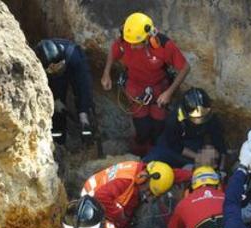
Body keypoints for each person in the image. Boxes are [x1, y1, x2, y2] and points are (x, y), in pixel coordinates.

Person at [101, 12, 190, 156]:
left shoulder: (163, 45)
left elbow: (185, 68)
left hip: (159, 88)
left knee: (158, 126)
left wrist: (169, 93)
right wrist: (106, 73)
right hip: (135, 87)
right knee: (142, 127)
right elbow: (113, 51)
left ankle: (155, 153)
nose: (133, 47)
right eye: (131, 44)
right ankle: (139, 154)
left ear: (149, 37)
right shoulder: (126, 41)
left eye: (137, 44)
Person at [144, 88, 227, 169]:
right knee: (149, 162)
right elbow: (174, 144)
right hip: (170, 145)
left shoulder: (210, 117)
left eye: (203, 116)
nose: (200, 120)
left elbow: (219, 141)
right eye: (196, 118)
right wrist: (197, 157)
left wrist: (222, 168)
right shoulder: (174, 120)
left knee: (209, 164)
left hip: (194, 142)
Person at [34, 38, 95, 145]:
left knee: (85, 100)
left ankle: (88, 133)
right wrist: (54, 100)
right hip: (52, 79)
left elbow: (83, 86)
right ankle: (58, 142)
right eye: (54, 68)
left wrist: (83, 113)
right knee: (57, 112)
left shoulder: (75, 56)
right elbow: (39, 86)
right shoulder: (36, 64)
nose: (58, 69)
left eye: (59, 66)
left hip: (71, 65)